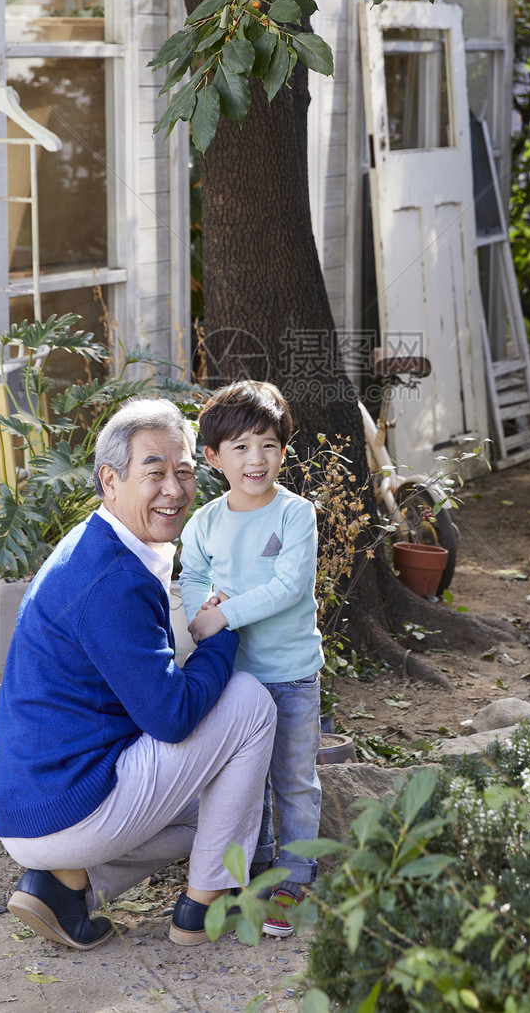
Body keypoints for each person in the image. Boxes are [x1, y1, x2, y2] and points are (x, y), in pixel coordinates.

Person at [0, 397, 276, 951]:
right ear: (110, 480)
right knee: (247, 700)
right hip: (65, 805)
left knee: (223, 807)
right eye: (155, 473)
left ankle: (66, 888)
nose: (174, 488)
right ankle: (204, 907)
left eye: (185, 471)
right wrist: (225, 631)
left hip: (32, 802)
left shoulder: (95, 545)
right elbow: (170, 717)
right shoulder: (113, 580)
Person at [178, 380, 323, 939]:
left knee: (293, 778)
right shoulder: (207, 521)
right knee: (245, 781)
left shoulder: (295, 515)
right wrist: (200, 614)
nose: (255, 458)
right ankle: (253, 869)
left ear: (283, 451)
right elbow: (192, 574)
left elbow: (290, 586)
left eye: (266, 444)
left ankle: (295, 874)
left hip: (289, 674)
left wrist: (225, 613)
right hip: (238, 680)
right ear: (214, 458)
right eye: (239, 447)